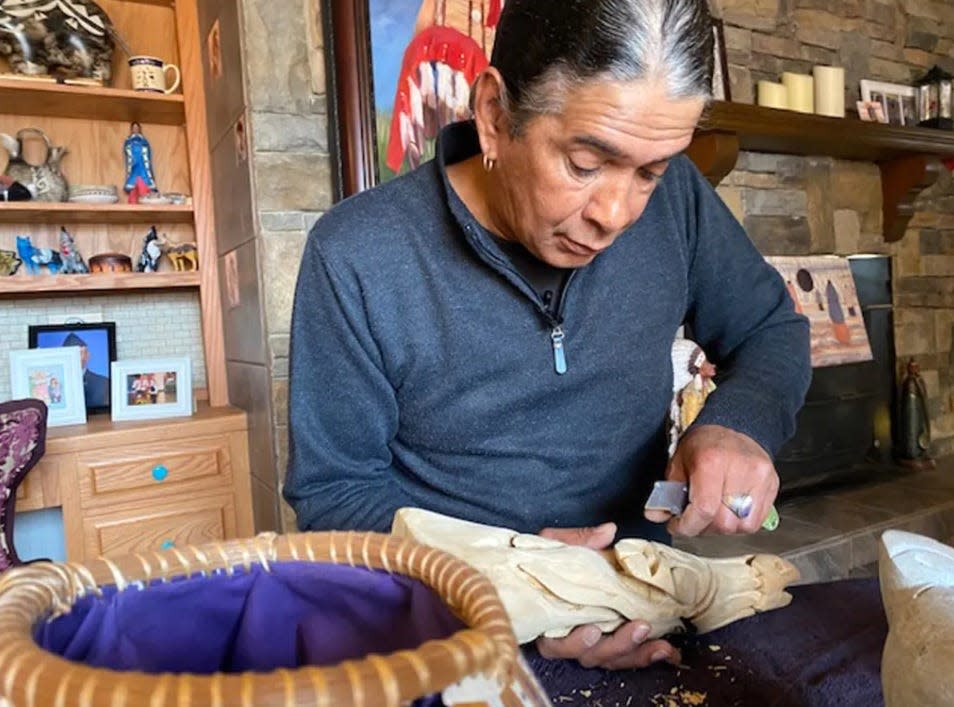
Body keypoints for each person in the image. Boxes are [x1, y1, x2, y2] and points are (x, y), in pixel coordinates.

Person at [285, 0, 811, 671]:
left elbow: (770, 330)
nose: (616, 215)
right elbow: (335, 496)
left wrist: (740, 424)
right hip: (451, 632)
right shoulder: (356, 255)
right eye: (586, 162)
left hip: (645, 613)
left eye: (649, 171)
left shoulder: (678, 203)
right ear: (497, 117)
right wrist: (520, 590)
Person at [62, 332, 109, 409]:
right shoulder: (55, 384)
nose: (74, 357)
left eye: (80, 353)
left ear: (87, 356)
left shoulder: (104, 383)